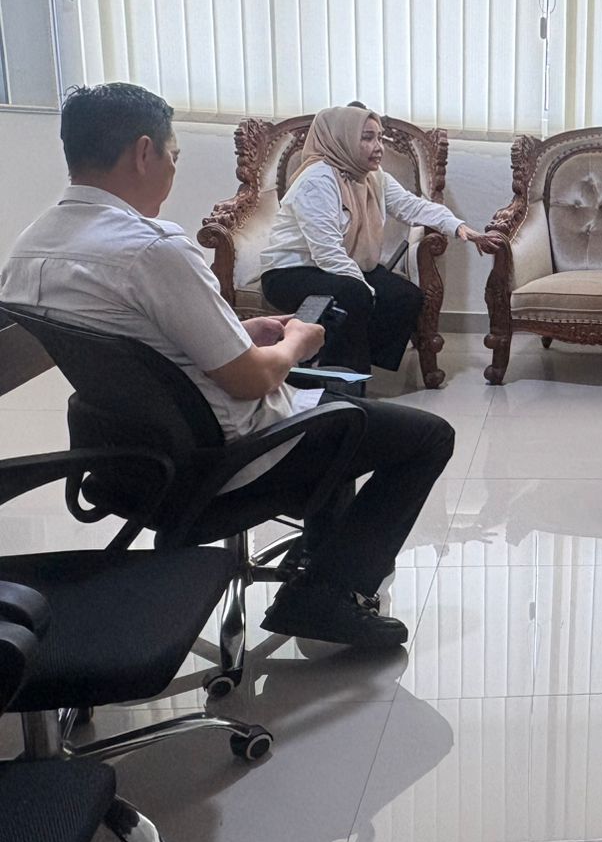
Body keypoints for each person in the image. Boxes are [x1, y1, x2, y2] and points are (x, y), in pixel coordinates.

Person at [1, 83, 455, 648]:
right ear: (143, 152)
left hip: (126, 453)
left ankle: (323, 556)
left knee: (341, 406)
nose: (173, 169)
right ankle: (325, 595)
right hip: (227, 456)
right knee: (424, 436)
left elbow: (143, 345)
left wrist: (241, 332)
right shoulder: (152, 249)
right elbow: (252, 378)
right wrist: (297, 342)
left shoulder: (28, 249)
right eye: (173, 155)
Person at [259, 103, 502, 373]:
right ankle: (342, 372)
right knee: (354, 294)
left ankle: (347, 359)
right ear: (343, 140)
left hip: (340, 267)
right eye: (367, 138)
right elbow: (327, 253)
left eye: (379, 138)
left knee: (405, 296)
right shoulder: (317, 181)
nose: (379, 147)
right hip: (291, 272)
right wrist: (367, 290)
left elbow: (412, 206)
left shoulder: (372, 176)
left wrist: (458, 227)